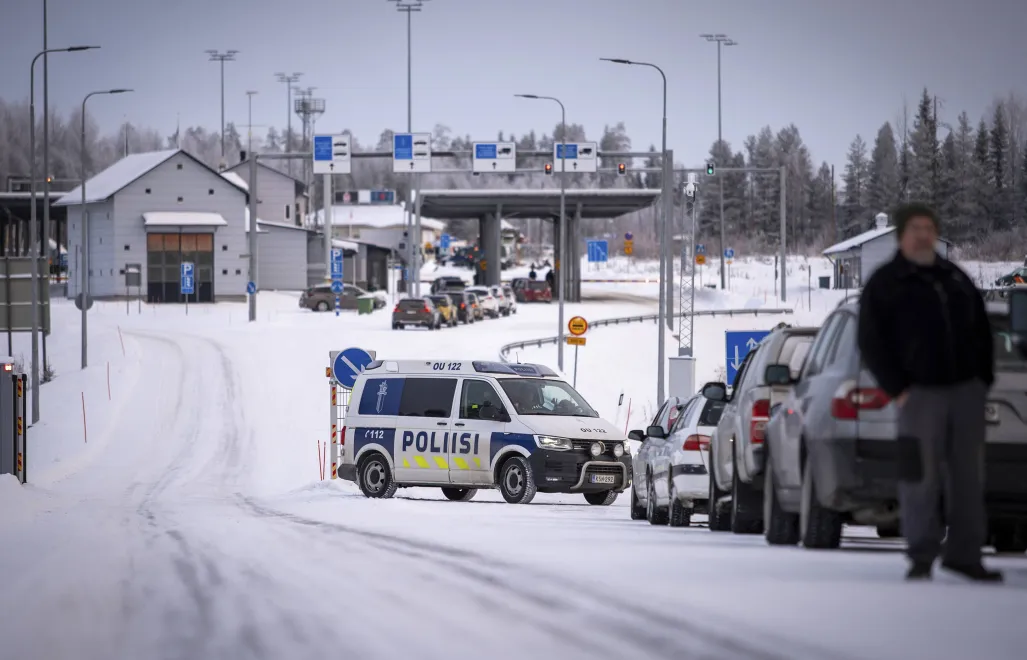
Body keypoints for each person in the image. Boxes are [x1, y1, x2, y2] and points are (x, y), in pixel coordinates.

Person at [857, 202, 1001, 582]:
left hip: (965, 392)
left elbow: (982, 330)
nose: (923, 235)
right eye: (915, 228)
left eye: (928, 228)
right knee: (919, 477)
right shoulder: (886, 283)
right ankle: (921, 554)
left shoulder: (954, 278)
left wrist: (982, 380)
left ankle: (965, 555)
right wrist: (898, 389)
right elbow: (870, 341)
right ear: (902, 235)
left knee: (968, 477)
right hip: (918, 395)